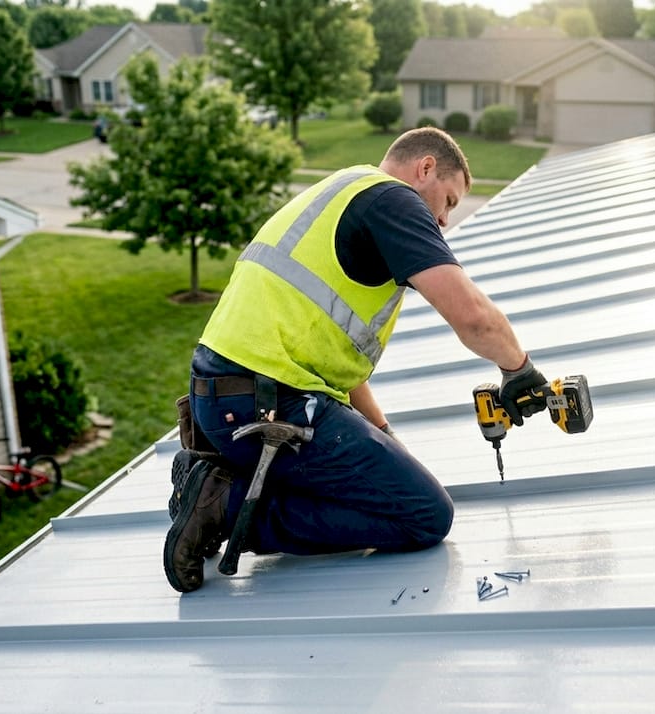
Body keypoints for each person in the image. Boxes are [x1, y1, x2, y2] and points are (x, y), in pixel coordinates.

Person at [164, 127, 548, 592]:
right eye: (448, 200)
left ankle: (209, 483)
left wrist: (384, 439)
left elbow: (334, 364)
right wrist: (518, 369)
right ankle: (226, 507)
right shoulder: (395, 201)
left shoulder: (344, 192)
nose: (445, 220)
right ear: (424, 168)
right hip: (265, 402)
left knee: (386, 488)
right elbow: (473, 318)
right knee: (424, 515)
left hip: (222, 395)